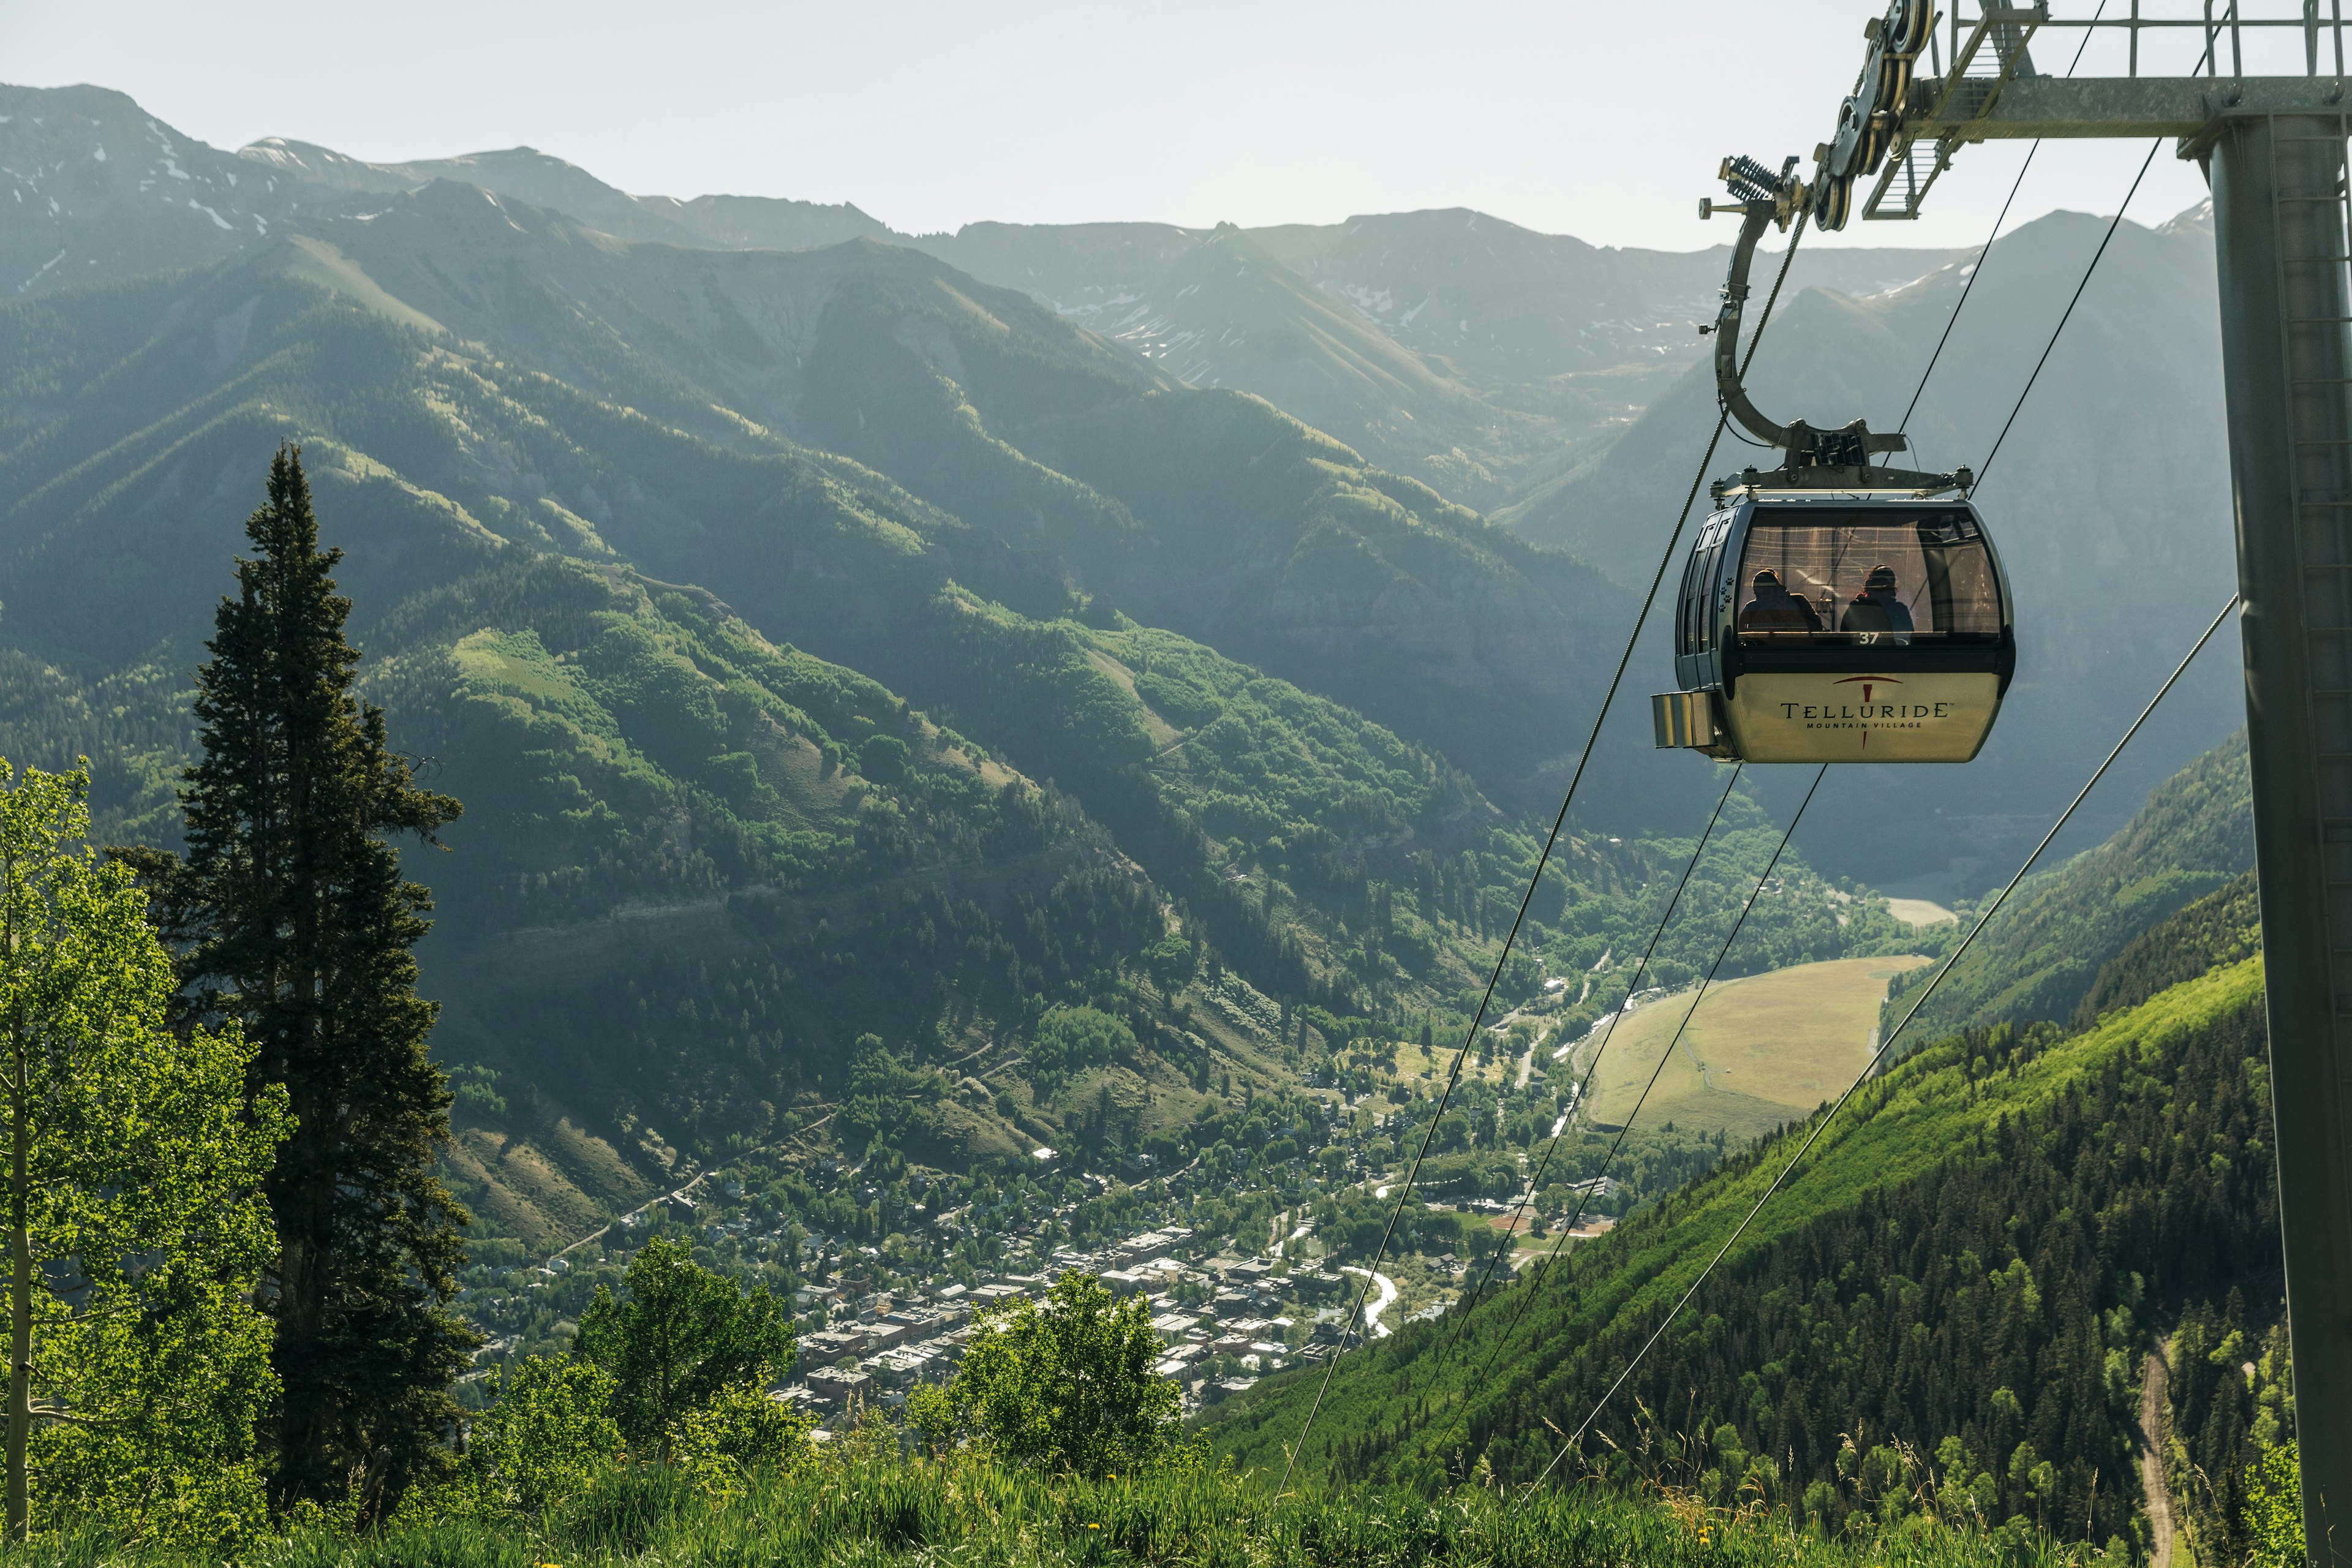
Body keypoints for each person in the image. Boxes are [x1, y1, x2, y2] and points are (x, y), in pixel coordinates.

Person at [1838, 564, 1914, 639]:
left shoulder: (1900, 611)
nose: (1882, 593)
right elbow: (1846, 640)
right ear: (1869, 588)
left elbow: (1907, 639)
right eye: (1878, 588)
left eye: (1887, 588)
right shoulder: (1857, 609)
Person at [1738, 568, 1822, 635]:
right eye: (1758, 595)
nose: (1762, 598)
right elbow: (1740, 636)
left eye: (1766, 593)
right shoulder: (1751, 609)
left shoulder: (1798, 602)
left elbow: (1817, 628)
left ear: (1777, 589)